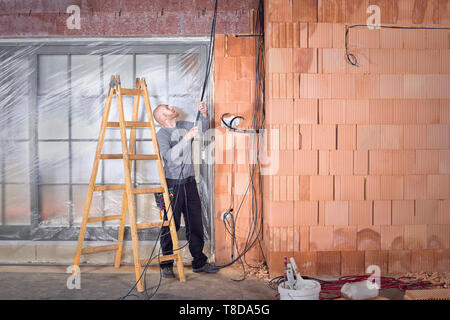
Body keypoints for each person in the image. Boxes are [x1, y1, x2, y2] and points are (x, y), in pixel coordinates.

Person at [153, 102, 218, 278]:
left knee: (195, 223)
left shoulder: (183, 126)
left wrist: (203, 115)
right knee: (170, 225)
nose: (172, 107)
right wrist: (187, 138)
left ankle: (199, 262)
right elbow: (170, 156)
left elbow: (202, 129)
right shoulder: (162, 135)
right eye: (167, 107)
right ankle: (167, 263)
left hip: (190, 183)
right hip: (173, 184)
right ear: (162, 117)